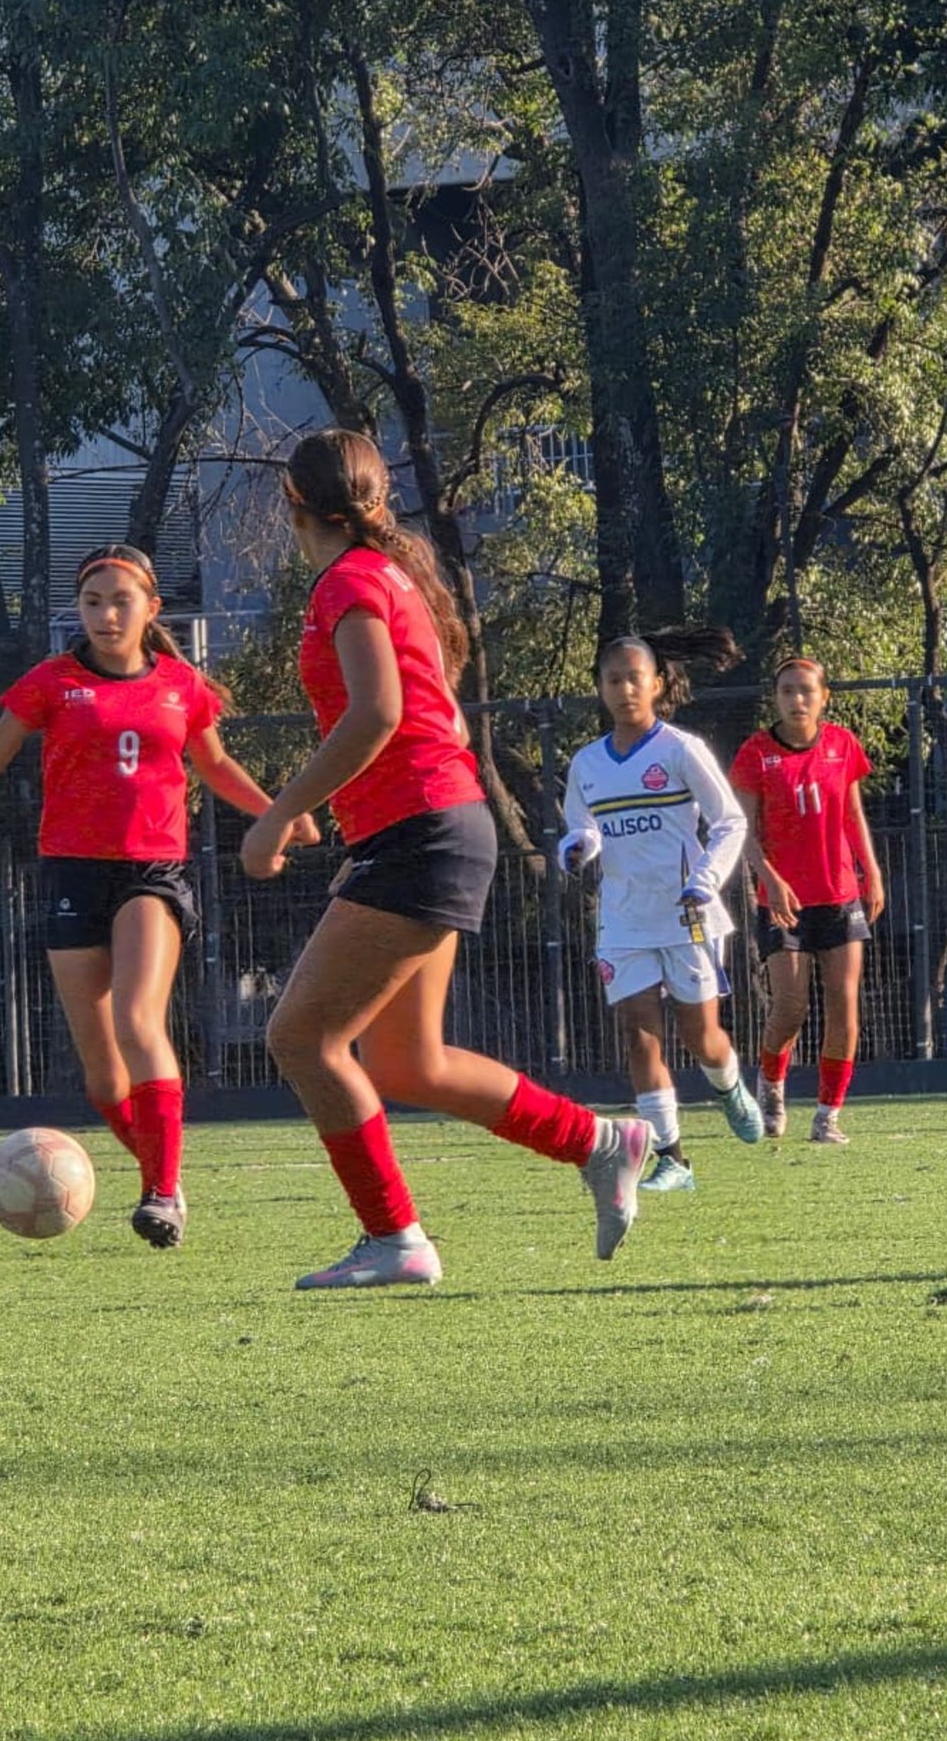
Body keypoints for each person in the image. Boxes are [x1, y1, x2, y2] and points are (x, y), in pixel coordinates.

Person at [240, 427, 652, 1288]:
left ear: (293, 505)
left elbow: (376, 714)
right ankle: (602, 1142)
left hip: (421, 833)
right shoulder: (389, 576)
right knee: (405, 1062)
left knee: (301, 1037)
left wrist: (281, 812)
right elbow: (444, 720)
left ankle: (395, 1239)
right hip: (439, 824)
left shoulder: (347, 583)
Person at [0, 543, 307, 1247]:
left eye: (121, 601)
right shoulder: (51, 683)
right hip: (72, 873)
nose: (106, 615)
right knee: (104, 1075)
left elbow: (217, 764)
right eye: (92, 602)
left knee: (140, 1020)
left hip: (152, 874)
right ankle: (162, 1176)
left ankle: (161, 1192)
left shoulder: (181, 685)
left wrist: (277, 811)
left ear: (151, 609)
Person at [559, 633, 764, 1195]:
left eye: (634, 677)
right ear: (600, 689)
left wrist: (704, 881)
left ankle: (728, 1086)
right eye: (612, 680)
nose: (625, 689)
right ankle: (673, 1157)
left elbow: (730, 823)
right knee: (639, 1033)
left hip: (686, 916)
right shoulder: (587, 764)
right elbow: (584, 829)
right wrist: (575, 848)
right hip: (623, 920)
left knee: (702, 1038)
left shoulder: (681, 749)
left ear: (657, 684)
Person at [730, 655, 885, 1143]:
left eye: (806, 690)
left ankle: (827, 1116)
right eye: (787, 691)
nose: (797, 699)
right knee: (791, 1004)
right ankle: (772, 1084)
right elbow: (743, 832)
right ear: (775, 698)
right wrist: (770, 880)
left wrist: (873, 872)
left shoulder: (842, 744)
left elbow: (852, 814)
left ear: (824, 697)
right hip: (784, 901)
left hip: (840, 894)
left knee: (844, 1005)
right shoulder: (756, 753)